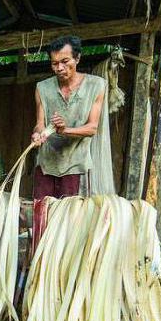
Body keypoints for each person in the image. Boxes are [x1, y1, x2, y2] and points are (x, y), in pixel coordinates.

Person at [31, 36, 106, 200]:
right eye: (54, 63)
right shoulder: (42, 88)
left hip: (76, 166)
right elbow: (39, 124)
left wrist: (65, 130)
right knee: (42, 217)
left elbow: (92, 128)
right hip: (46, 165)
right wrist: (37, 134)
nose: (59, 68)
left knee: (72, 220)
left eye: (65, 61)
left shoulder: (96, 85)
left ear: (77, 58)